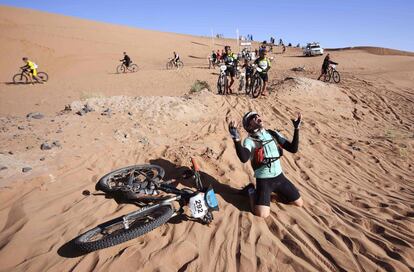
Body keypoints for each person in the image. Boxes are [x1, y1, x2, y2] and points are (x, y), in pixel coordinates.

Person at [228, 112, 303, 218]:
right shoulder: (249, 141)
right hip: (264, 180)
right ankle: (251, 191)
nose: (258, 117)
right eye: (254, 118)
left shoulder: (272, 134)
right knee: (262, 214)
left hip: (280, 177)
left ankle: (275, 193)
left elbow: (293, 148)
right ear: (249, 125)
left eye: (258, 115)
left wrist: (297, 129)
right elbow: (244, 158)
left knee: (299, 203)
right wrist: (236, 139)